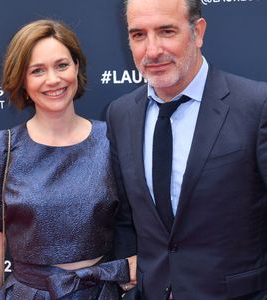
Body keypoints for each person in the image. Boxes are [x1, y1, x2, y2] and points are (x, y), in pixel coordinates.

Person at [106, 0, 267, 299]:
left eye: (166, 31)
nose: (152, 51)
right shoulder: (121, 114)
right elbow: (126, 218)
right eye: (138, 35)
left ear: (198, 32)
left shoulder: (256, 106)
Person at [0, 19, 136, 299]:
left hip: (99, 294)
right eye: (37, 71)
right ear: (22, 79)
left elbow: (136, 221)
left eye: (62, 65)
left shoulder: (112, 141)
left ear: (77, 67)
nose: (53, 80)